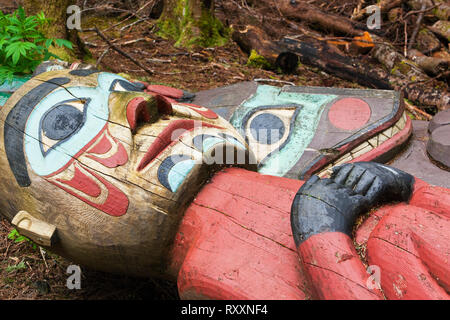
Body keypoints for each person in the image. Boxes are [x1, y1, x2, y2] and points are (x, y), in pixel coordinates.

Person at [0, 69, 447, 299]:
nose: (143, 102)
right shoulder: (206, 280)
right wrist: (320, 234)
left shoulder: (281, 178)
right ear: (36, 225)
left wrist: (400, 184)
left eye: (125, 85)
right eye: (65, 123)